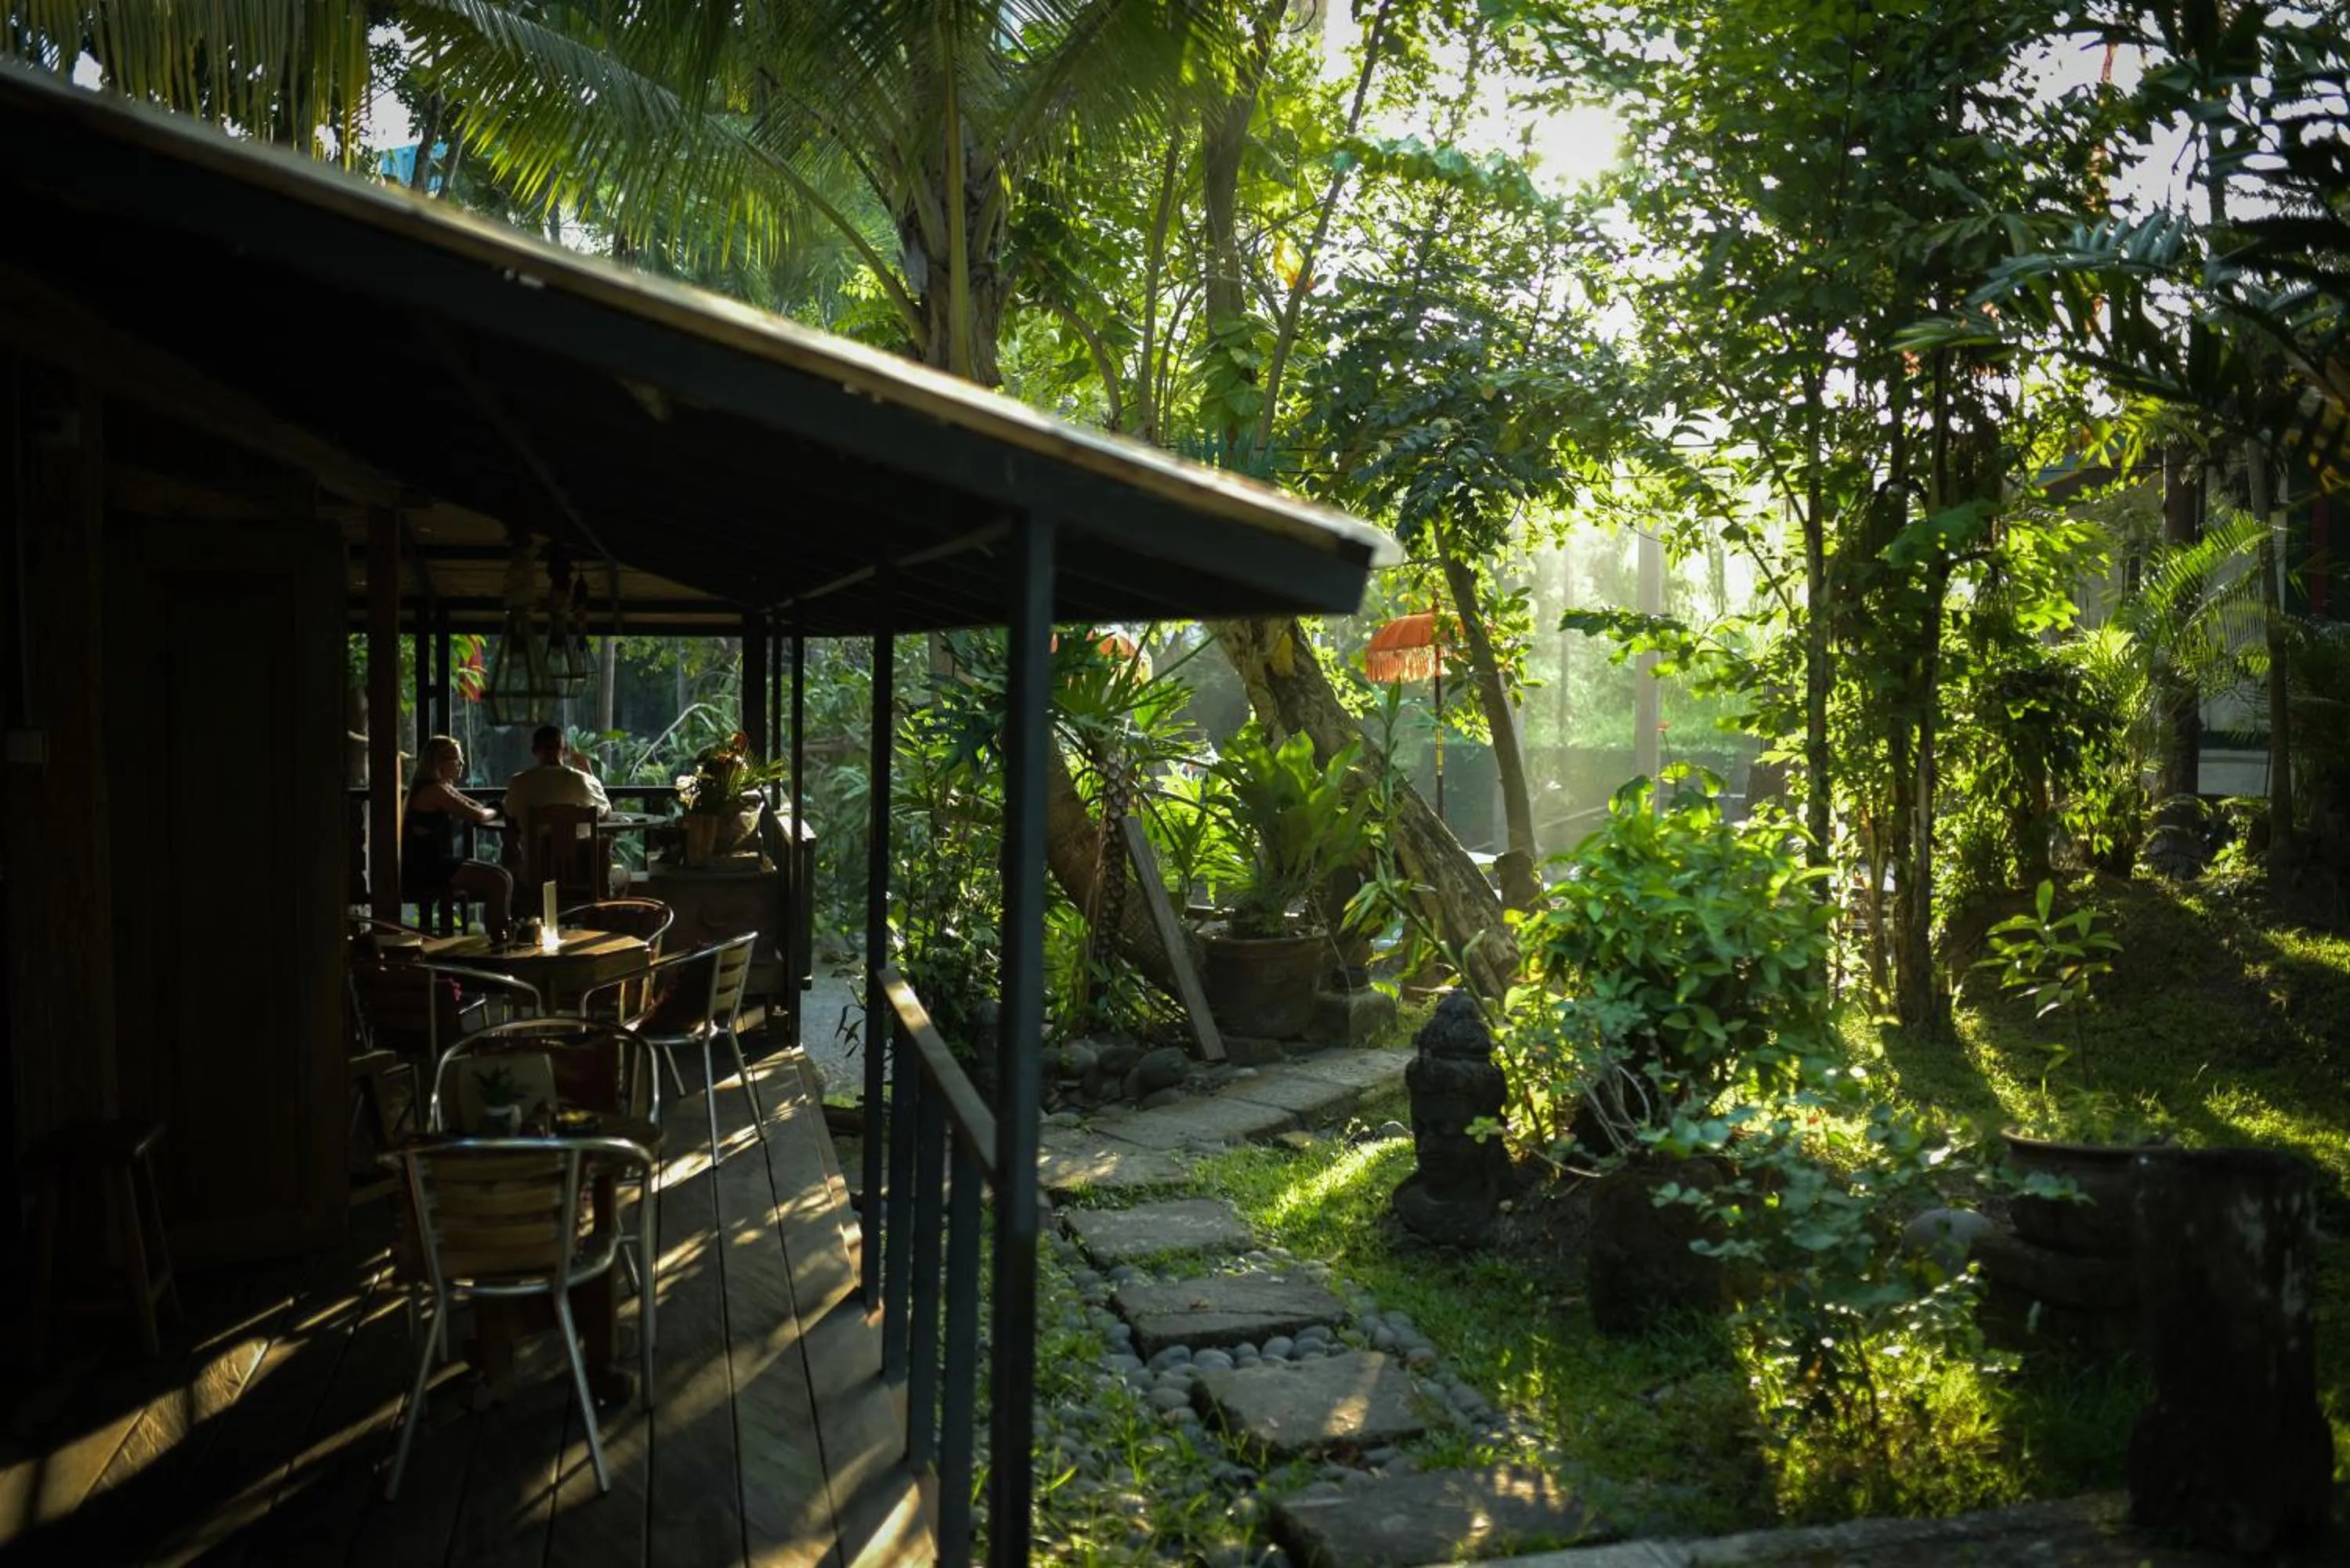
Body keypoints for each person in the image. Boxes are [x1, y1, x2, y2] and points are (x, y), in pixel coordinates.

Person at [403, 735, 512, 938]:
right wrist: (498, 810)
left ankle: (499, 936)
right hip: (427, 867)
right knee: (499, 881)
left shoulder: (442, 787)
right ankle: (497, 940)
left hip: (436, 863)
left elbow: (474, 807)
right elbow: (478, 814)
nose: (462, 763)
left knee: (503, 877)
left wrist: (490, 809)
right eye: (456, 758)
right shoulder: (433, 790)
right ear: (438, 762)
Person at [502, 724, 612, 847]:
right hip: (581, 864)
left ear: (534, 751)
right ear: (565, 751)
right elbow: (605, 814)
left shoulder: (519, 782)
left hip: (536, 864)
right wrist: (589, 773)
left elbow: (510, 817)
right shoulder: (584, 780)